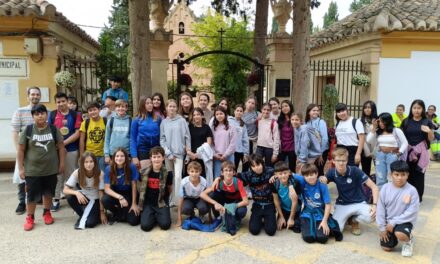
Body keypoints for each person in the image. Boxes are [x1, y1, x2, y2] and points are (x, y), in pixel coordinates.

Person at [17, 104, 65, 231]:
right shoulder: (27, 130)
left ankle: (47, 212)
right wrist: (21, 168)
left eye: (42, 113)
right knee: (31, 195)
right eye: (37, 114)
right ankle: (30, 217)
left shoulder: (54, 129)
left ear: (46, 115)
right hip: (32, 171)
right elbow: (21, 150)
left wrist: (62, 164)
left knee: (48, 193)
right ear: (33, 116)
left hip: (50, 169)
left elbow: (61, 147)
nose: (40, 116)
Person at [321, 148, 379, 236]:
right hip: (343, 204)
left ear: (347, 160)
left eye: (343, 160)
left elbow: (374, 187)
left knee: (373, 216)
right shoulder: (332, 172)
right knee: (337, 230)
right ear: (333, 161)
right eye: (338, 160)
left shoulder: (355, 170)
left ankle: (354, 220)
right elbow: (323, 181)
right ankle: (346, 217)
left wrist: (374, 205)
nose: (341, 163)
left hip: (359, 202)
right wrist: (322, 180)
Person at [376, 160, 419, 257]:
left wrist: (394, 222)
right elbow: (380, 209)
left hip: (404, 221)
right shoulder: (385, 188)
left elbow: (412, 212)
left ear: (407, 175)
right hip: (389, 223)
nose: (400, 178)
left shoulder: (412, 191)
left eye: (403, 174)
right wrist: (382, 228)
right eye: (397, 174)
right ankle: (393, 237)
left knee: (400, 234)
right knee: (386, 248)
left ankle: (408, 241)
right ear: (391, 175)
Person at [49, 92, 82, 212]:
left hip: (72, 149)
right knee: (58, 175)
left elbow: (77, 133)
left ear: (67, 101)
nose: (61, 104)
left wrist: (64, 144)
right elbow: (50, 131)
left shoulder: (76, 114)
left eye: (63, 101)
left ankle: (72, 199)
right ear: (56, 103)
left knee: (71, 174)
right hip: (56, 150)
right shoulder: (52, 114)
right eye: (58, 102)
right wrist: (58, 146)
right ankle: (56, 199)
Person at [11, 86, 41, 215]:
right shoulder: (19, 111)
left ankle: (37, 198)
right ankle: (22, 202)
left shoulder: (47, 111)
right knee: (21, 177)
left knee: (40, 175)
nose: (35, 96)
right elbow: (15, 132)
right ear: (28, 96)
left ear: (40, 96)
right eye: (32, 94)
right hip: (24, 150)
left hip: (40, 151)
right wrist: (19, 151)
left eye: (37, 94)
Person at [295, 164, 342, 243]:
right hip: (307, 213)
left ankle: (331, 227)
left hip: (320, 213)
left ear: (316, 174)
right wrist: (274, 176)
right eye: (306, 175)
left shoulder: (322, 185)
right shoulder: (303, 181)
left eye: (312, 174)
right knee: (308, 238)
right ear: (303, 177)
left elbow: (328, 204)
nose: (309, 177)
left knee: (322, 239)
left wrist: (324, 221)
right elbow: (288, 174)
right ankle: (303, 225)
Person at [200, 161, 249, 235]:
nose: (228, 173)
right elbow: (202, 194)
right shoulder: (219, 182)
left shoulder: (238, 182)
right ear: (222, 173)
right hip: (225, 200)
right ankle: (219, 217)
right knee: (212, 195)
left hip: (236, 201)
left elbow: (246, 201)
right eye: (226, 170)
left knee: (242, 211)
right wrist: (215, 203)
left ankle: (236, 219)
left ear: (234, 173)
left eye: (230, 171)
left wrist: (231, 206)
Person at [400, 99, 435, 201]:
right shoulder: (406, 121)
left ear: (423, 109)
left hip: (421, 153)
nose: (416, 110)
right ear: (411, 109)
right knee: (407, 173)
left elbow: (431, 139)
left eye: (419, 108)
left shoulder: (427, 121)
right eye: (414, 108)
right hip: (408, 152)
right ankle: (408, 195)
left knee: (419, 175)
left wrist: (429, 131)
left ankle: (418, 197)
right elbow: (401, 137)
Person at [64, 152, 107, 229]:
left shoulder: (100, 173)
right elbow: (65, 190)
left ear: (95, 163)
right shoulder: (77, 172)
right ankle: (83, 214)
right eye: (86, 162)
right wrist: (76, 193)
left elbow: (101, 193)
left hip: (95, 200)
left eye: (91, 161)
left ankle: (92, 214)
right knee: (70, 197)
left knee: (90, 224)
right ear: (82, 163)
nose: (89, 164)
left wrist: (102, 212)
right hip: (84, 198)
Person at [160, 99, 191, 206]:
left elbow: (187, 137)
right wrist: (168, 153)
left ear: (176, 108)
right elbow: (162, 139)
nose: (172, 108)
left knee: (178, 177)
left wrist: (188, 153)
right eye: (170, 106)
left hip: (179, 154)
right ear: (166, 108)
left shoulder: (182, 121)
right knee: (170, 177)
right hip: (168, 155)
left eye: (174, 106)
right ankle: (172, 199)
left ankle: (178, 201)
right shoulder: (164, 122)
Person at [237, 154, 277, 236]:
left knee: (271, 231)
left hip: (269, 204)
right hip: (257, 204)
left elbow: (285, 172)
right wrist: (218, 178)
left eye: (258, 164)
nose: (257, 168)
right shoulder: (249, 174)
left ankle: (267, 219)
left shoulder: (270, 171)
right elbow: (233, 175)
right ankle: (260, 219)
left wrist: (276, 176)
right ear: (251, 167)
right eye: (253, 166)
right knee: (254, 230)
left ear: (262, 163)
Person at [366, 112, 408, 189]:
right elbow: (368, 140)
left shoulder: (396, 130)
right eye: (379, 121)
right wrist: (374, 128)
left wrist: (399, 153)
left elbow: (405, 143)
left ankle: (392, 196)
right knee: (380, 176)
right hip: (380, 155)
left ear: (388, 121)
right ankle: (381, 196)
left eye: (383, 121)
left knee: (392, 176)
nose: (381, 123)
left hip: (392, 156)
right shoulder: (378, 132)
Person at [138, 146, 173, 231]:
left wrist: (165, 200)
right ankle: (151, 214)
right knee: (145, 227)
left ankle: (158, 214)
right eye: (154, 157)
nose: (156, 159)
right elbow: (140, 187)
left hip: (161, 202)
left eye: (159, 157)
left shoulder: (168, 173)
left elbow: (169, 189)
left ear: (163, 158)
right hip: (148, 203)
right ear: (150, 158)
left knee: (165, 225)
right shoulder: (144, 172)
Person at [102, 148, 140, 225]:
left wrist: (134, 203)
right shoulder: (109, 168)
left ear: (126, 157)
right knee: (105, 199)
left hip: (128, 194)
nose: (119, 158)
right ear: (113, 157)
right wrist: (120, 197)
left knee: (133, 221)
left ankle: (122, 214)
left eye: (122, 156)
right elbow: (107, 189)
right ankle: (116, 212)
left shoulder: (131, 166)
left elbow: (134, 186)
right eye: (117, 156)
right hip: (116, 194)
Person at [130, 96, 161, 170]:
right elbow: (132, 139)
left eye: (151, 103)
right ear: (142, 105)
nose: (150, 105)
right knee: (144, 175)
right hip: (142, 150)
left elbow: (161, 136)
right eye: (147, 103)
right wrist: (134, 156)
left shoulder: (158, 119)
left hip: (156, 150)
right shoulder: (136, 120)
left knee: (155, 175)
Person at [176, 161, 209, 227]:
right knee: (185, 208)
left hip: (200, 198)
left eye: (196, 171)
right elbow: (181, 198)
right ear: (188, 172)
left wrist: (210, 218)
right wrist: (179, 219)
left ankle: (201, 214)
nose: (194, 174)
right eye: (192, 171)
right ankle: (191, 214)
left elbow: (208, 196)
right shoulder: (184, 182)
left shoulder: (204, 182)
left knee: (204, 208)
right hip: (188, 198)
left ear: (200, 172)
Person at [271, 161, 300, 233]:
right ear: (276, 174)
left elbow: (295, 201)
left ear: (289, 172)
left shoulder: (295, 182)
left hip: (296, 210)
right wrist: (281, 216)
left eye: (285, 173)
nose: (283, 176)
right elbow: (276, 200)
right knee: (280, 226)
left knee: (296, 228)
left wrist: (291, 218)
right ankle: (284, 217)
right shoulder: (275, 183)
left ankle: (294, 219)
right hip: (284, 209)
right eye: (280, 174)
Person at [79, 102, 107, 171]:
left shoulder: (105, 121)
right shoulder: (85, 123)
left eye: (94, 109)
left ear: (99, 110)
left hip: (102, 154)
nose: (93, 112)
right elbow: (81, 140)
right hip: (89, 154)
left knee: (101, 174)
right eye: (90, 110)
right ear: (88, 112)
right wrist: (82, 155)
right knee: (90, 174)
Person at [187, 107, 213, 179]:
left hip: (203, 157)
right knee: (192, 177)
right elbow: (186, 141)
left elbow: (209, 143)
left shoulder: (206, 127)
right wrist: (190, 153)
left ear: (202, 115)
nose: (196, 116)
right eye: (194, 115)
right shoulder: (189, 127)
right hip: (192, 157)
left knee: (203, 177)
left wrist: (198, 154)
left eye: (198, 114)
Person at [211, 106, 237, 178]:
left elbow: (233, 144)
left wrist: (225, 154)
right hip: (217, 157)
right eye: (217, 114)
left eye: (221, 113)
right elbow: (211, 143)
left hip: (228, 156)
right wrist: (214, 154)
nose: (219, 116)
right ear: (215, 116)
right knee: (217, 176)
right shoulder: (213, 128)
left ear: (225, 115)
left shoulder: (231, 127)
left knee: (229, 176)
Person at [104, 99, 131, 164]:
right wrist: (106, 154)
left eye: (123, 106)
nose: (120, 108)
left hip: (126, 153)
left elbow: (132, 139)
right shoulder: (111, 121)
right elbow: (107, 138)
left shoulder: (130, 121)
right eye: (118, 107)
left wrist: (132, 154)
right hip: (113, 153)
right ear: (115, 108)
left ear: (126, 108)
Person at [305, 104, 329, 176]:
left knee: (319, 170)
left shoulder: (321, 122)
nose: (316, 112)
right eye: (313, 110)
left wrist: (320, 153)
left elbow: (325, 139)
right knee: (311, 171)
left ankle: (322, 186)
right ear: (309, 112)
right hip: (311, 151)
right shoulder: (306, 122)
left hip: (321, 151)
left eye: (317, 110)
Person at [256, 103, 280, 167]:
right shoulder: (259, 121)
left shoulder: (273, 122)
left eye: (268, 110)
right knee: (257, 164)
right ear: (261, 110)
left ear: (270, 111)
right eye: (264, 109)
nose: (266, 111)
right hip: (259, 147)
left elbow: (276, 139)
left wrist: (275, 154)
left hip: (269, 148)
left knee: (269, 167)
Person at [360, 101, 378, 176]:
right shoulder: (360, 120)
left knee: (378, 168)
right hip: (364, 144)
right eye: (365, 108)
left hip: (376, 144)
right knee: (365, 168)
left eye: (369, 107)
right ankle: (366, 185)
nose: (367, 109)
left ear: (373, 109)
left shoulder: (378, 119)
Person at [278, 100, 296, 172]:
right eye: (282, 107)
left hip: (292, 147)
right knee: (281, 168)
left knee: (292, 168)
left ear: (290, 107)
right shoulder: (280, 120)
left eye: (286, 106)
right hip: (282, 147)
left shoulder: (294, 118)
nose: (284, 108)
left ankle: (292, 182)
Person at [231, 104, 249, 173]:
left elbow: (245, 139)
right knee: (233, 169)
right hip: (232, 150)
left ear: (243, 113)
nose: (239, 112)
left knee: (246, 166)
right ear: (234, 111)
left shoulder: (243, 124)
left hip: (240, 150)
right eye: (237, 110)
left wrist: (246, 153)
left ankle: (243, 182)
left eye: (241, 111)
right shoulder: (229, 120)